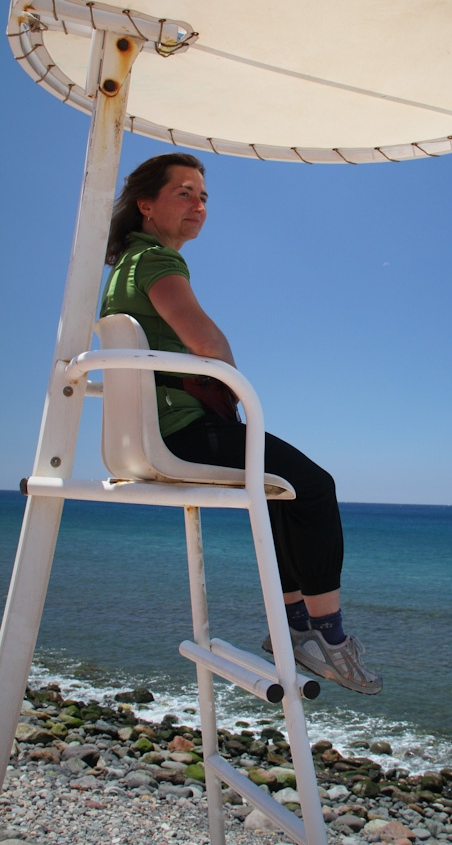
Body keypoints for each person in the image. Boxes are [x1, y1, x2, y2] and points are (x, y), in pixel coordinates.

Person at [100, 152, 382, 695]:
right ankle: (330, 637)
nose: (198, 205)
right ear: (146, 204)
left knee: (279, 487)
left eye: (203, 196)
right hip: (180, 430)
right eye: (184, 193)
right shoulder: (156, 260)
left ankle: (294, 629)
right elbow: (206, 341)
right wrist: (230, 388)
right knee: (315, 487)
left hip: (149, 432)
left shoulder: (125, 267)